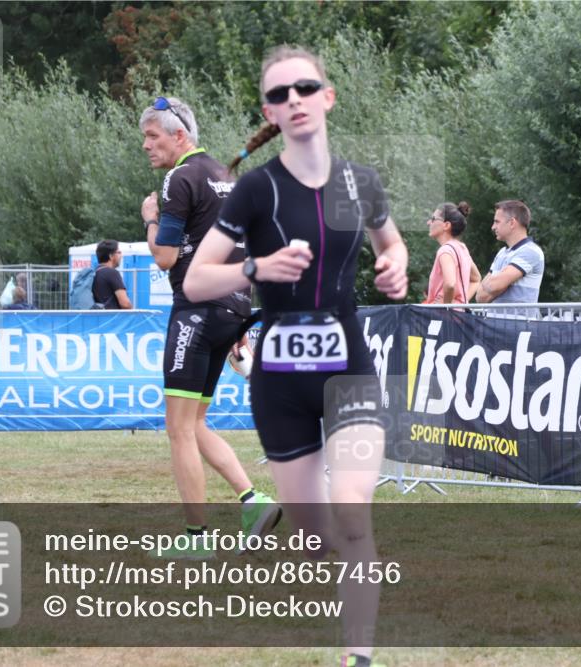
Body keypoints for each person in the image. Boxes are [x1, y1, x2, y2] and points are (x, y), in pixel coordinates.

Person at [184, 45, 408, 667]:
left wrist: (395, 266)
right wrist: (254, 268)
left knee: (354, 517)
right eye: (280, 95)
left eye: (304, 89)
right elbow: (196, 281)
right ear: (270, 112)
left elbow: (392, 244)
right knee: (316, 540)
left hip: (348, 374)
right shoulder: (256, 191)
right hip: (281, 383)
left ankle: (357, 657)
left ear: (327, 97)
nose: (294, 101)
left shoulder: (356, 182)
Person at [138, 95, 279, 559]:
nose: (146, 145)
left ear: (180, 136)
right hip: (232, 309)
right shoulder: (225, 175)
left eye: (152, 136)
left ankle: (197, 539)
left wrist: (151, 218)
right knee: (195, 421)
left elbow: (164, 257)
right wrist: (239, 316)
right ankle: (252, 501)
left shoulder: (180, 178)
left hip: (197, 308)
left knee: (177, 429)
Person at [474, 199, 544, 316]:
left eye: (497, 222)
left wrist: (494, 283)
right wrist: (500, 283)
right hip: (495, 326)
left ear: (512, 223)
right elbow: (480, 297)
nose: (493, 227)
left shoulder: (531, 252)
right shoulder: (502, 253)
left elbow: (493, 285)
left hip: (517, 328)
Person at [423, 201, 480, 304]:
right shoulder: (462, 248)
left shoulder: (445, 251)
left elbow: (450, 284)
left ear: (446, 225)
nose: (428, 223)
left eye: (433, 219)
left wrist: (445, 305)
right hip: (459, 315)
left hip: (443, 316)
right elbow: (476, 279)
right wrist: (462, 302)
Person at [91, 240, 133, 309]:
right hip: (112, 317)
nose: (121, 255)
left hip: (98, 317)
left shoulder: (95, 272)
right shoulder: (112, 273)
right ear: (111, 256)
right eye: (119, 252)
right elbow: (125, 304)